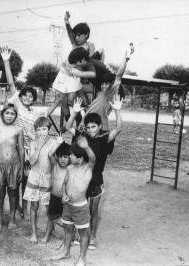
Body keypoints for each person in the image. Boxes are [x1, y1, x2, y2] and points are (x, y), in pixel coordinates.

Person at [66, 96, 123, 250]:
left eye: (94, 126)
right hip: (82, 179)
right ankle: (81, 234)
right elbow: (68, 126)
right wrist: (74, 113)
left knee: (93, 209)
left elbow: (118, 128)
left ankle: (92, 236)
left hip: (96, 178)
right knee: (81, 208)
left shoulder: (105, 138)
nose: (91, 129)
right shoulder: (82, 137)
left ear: (100, 126)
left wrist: (117, 111)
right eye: (89, 127)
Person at [1, 47, 41, 219]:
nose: (27, 98)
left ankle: (24, 207)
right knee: (14, 180)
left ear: (33, 99)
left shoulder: (35, 113)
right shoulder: (16, 104)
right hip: (15, 148)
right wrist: (6, 62)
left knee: (26, 180)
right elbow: (11, 84)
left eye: (30, 97)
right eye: (25, 96)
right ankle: (15, 207)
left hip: (29, 150)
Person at [53, 137, 96, 266]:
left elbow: (93, 158)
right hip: (68, 205)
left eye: (72, 155)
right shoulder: (69, 168)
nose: (70, 156)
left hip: (80, 207)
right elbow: (64, 184)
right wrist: (64, 195)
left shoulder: (87, 169)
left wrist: (87, 147)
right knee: (67, 229)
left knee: (83, 233)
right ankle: (65, 252)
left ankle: (82, 259)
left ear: (81, 158)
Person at [0, 69, 24, 230]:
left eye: (13, 114)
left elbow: (21, 150)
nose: (10, 115)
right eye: (8, 113)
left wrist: (22, 167)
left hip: (14, 165)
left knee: (13, 193)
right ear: (2, 114)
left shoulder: (18, 129)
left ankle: (11, 219)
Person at [22, 117, 57, 242]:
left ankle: (48, 233)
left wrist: (56, 146)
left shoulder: (54, 143)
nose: (42, 132)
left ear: (48, 129)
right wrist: (39, 146)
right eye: (39, 129)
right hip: (34, 177)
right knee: (34, 205)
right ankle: (34, 233)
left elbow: (56, 164)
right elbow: (32, 161)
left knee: (48, 207)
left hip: (47, 178)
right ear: (35, 131)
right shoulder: (32, 143)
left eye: (44, 129)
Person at [86, 43, 134, 130]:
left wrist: (126, 58)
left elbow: (119, 74)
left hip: (100, 125)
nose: (104, 86)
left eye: (106, 84)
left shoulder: (110, 91)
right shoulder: (99, 90)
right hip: (90, 122)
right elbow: (101, 50)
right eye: (102, 84)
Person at [40, 141, 71, 244]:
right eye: (61, 157)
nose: (63, 159)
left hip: (66, 199)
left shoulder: (71, 168)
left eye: (66, 157)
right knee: (51, 217)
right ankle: (47, 235)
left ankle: (69, 238)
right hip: (55, 197)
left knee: (68, 220)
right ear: (57, 157)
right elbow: (50, 154)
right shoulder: (55, 165)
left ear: (70, 157)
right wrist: (59, 143)